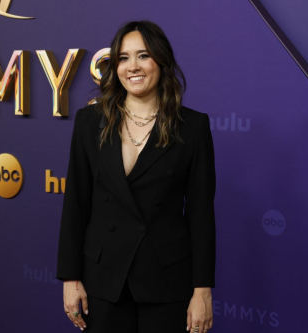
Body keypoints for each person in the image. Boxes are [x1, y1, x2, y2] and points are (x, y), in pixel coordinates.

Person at [56, 20, 216, 333]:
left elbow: (201, 215)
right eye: (124, 58)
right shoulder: (90, 121)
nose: (133, 67)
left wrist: (202, 290)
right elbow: (76, 202)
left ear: (161, 60)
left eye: (143, 55)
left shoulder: (192, 127)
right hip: (102, 280)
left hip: (166, 282)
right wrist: (70, 278)